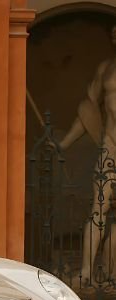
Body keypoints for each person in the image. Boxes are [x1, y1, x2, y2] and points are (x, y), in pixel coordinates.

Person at [58, 25, 116, 285]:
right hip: (110, 146)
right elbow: (88, 110)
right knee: (98, 211)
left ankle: (112, 273)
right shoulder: (106, 69)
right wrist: (64, 143)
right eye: (113, 33)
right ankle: (87, 271)